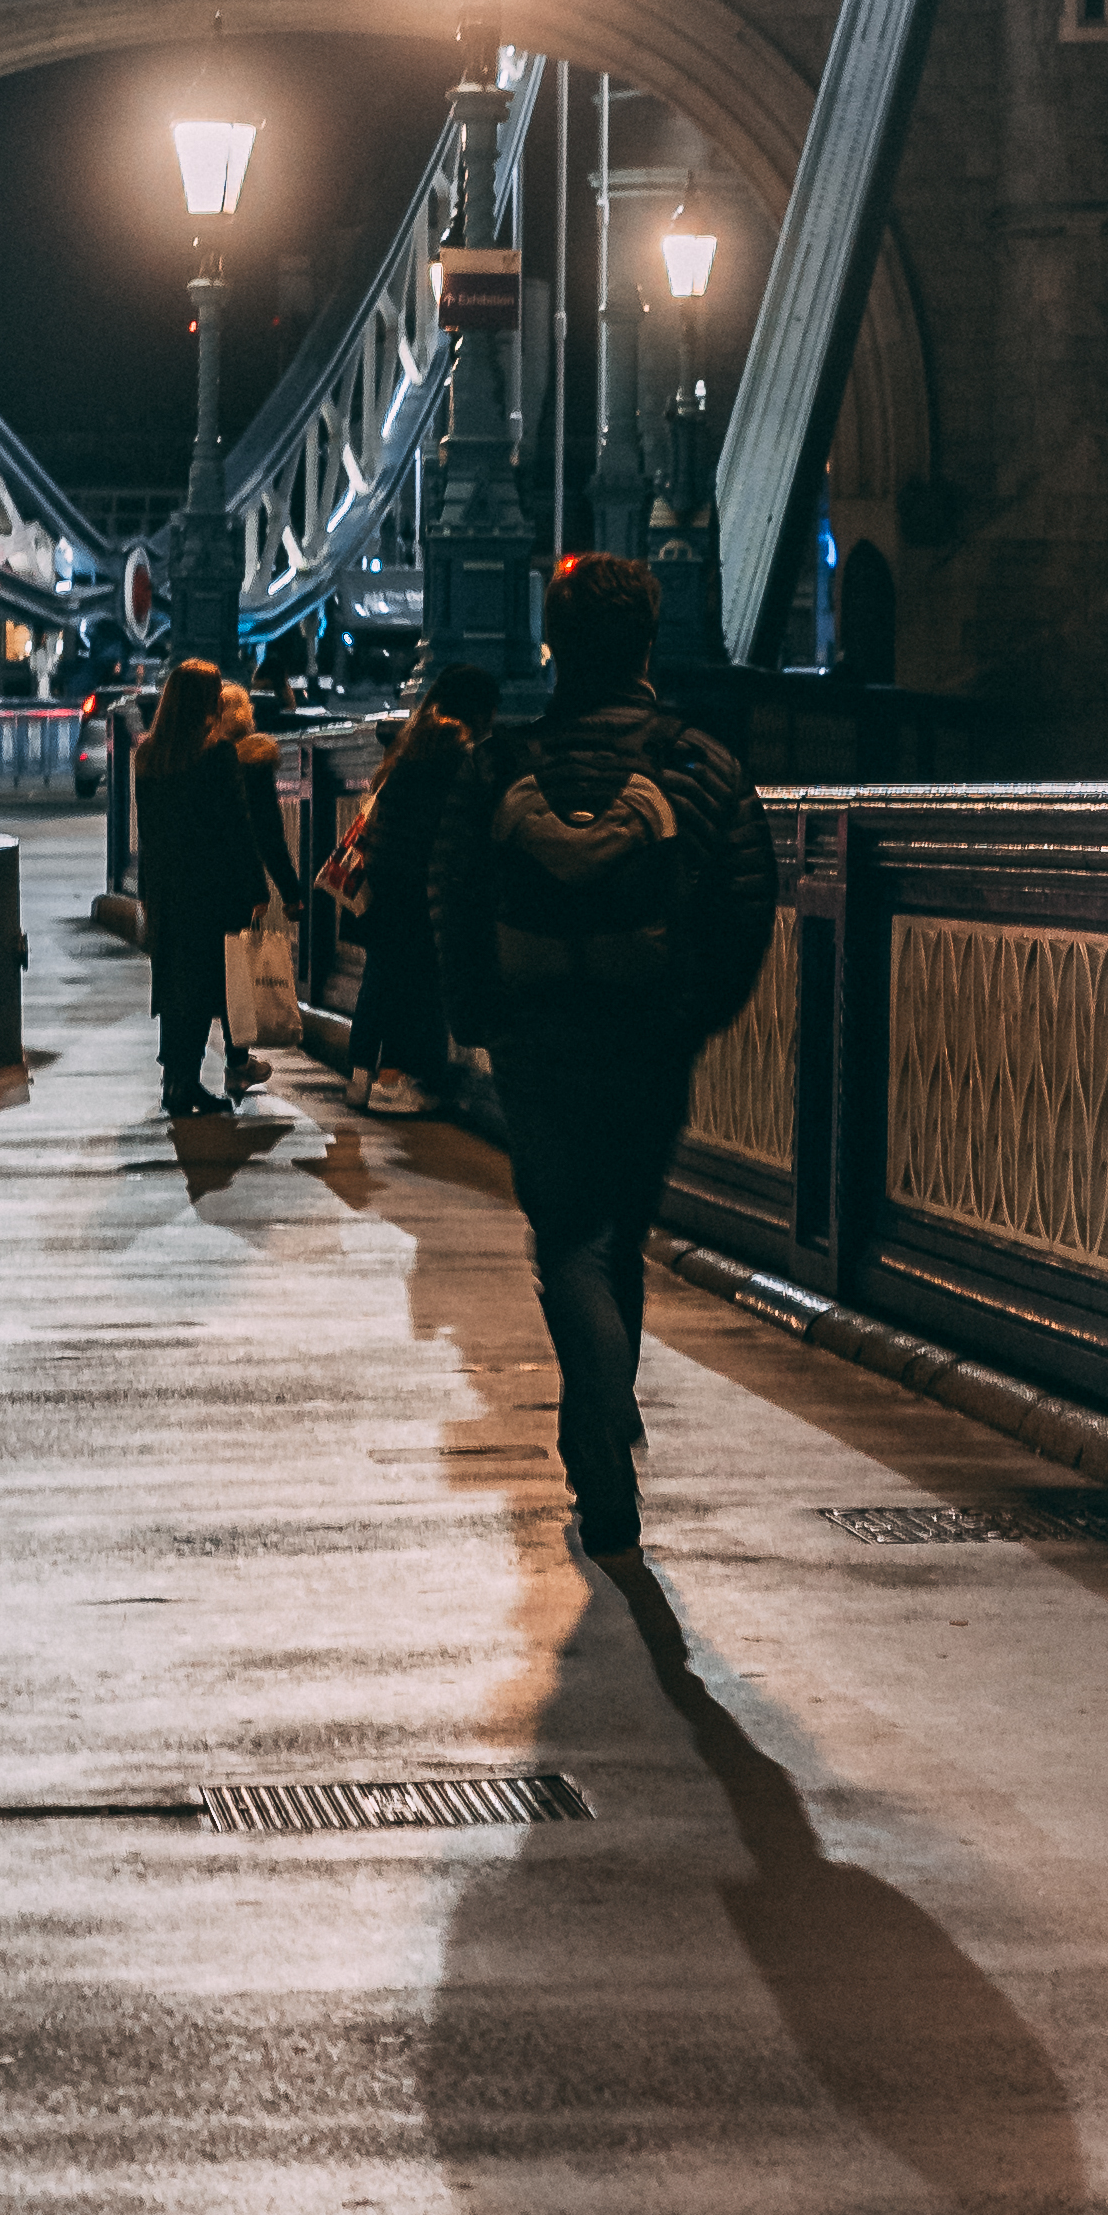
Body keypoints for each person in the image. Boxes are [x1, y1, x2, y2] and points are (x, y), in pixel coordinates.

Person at [434, 551, 774, 1557]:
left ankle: (600, 1429)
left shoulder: (497, 766)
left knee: (566, 1238)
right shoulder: (697, 767)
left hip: (539, 1040)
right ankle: (602, 1439)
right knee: (616, 1236)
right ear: (646, 646)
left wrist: (476, 1015)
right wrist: (694, 1010)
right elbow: (747, 900)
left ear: (553, 643)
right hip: (647, 1039)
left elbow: (453, 897)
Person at [134, 654, 297, 1117]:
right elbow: (236, 828)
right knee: (205, 986)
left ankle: (176, 1081)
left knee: (174, 988)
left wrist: (147, 889)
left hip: (169, 889)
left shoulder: (149, 755)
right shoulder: (217, 753)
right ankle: (187, 1085)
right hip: (212, 888)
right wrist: (257, 889)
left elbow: (149, 833)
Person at [344, 662, 495, 1117]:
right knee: (422, 986)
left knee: (382, 979)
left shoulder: (410, 744)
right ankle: (397, 1082)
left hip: (385, 881)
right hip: (425, 882)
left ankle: (361, 1078)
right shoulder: (459, 749)